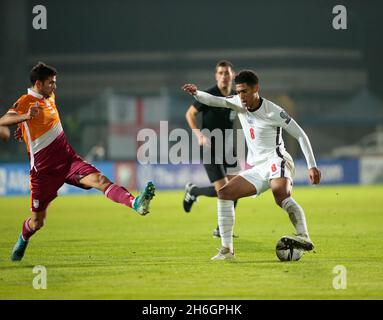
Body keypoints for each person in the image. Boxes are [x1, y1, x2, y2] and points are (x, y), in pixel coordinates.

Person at [0, 62, 156, 262]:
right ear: (38, 83)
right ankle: (23, 238)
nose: (54, 87)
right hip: (44, 172)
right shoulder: (25, 101)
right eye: (51, 83)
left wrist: (24, 128)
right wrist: (24, 118)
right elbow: (3, 120)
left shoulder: (49, 97)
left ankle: (136, 204)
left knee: (100, 180)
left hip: (68, 160)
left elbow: (41, 124)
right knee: (37, 223)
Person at [183, 70, 321, 260]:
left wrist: (311, 165)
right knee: (224, 193)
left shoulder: (274, 111)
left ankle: (303, 236)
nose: (241, 96)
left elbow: (300, 135)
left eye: (245, 91)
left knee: (279, 193)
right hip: (258, 167)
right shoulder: (238, 103)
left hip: (277, 159)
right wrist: (197, 94)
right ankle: (227, 250)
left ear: (256, 88)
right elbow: (215, 100)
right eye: (238, 92)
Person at [183, 60, 241, 237]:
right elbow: (190, 114)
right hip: (210, 147)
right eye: (221, 73)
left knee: (237, 188)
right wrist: (199, 135)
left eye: (227, 73)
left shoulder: (235, 97)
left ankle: (219, 229)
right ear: (216, 76)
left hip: (229, 148)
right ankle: (193, 191)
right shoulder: (208, 95)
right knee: (223, 190)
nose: (224, 76)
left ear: (233, 75)